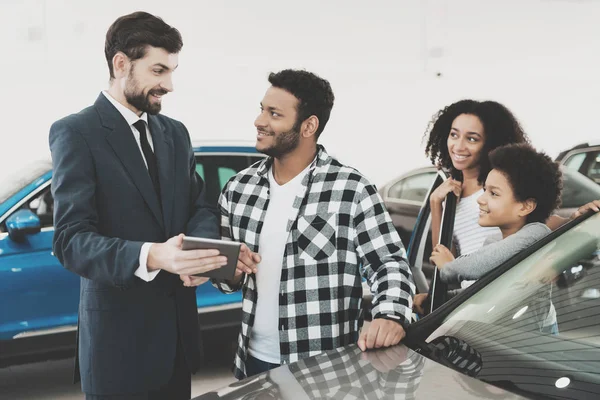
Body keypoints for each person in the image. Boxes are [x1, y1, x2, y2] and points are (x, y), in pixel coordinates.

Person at [50, 12, 253, 399]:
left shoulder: (175, 133)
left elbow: (201, 208)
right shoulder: (76, 132)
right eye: (159, 70)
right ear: (121, 63)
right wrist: (155, 256)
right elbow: (71, 241)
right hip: (117, 350)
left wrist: (201, 254)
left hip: (178, 342)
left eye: (173, 71)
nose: (169, 85)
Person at [213, 69, 415, 379]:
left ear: (309, 126)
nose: (259, 121)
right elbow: (225, 281)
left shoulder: (351, 189)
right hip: (251, 364)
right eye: (262, 109)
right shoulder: (239, 189)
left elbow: (388, 263)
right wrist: (231, 269)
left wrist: (391, 314)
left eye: (274, 114)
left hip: (326, 370)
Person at [415, 144, 600, 315]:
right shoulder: (495, 241)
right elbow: (483, 293)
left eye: (493, 193)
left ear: (525, 207)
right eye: (485, 190)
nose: (481, 199)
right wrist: (439, 301)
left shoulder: (535, 234)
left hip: (528, 341)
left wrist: (448, 266)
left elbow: (478, 264)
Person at [424, 100, 530, 257]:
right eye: (454, 135)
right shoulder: (450, 194)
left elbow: (537, 226)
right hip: (474, 282)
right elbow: (444, 264)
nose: (458, 146)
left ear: (490, 143)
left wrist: (573, 219)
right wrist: (435, 203)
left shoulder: (502, 185)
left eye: (472, 139)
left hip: (506, 279)